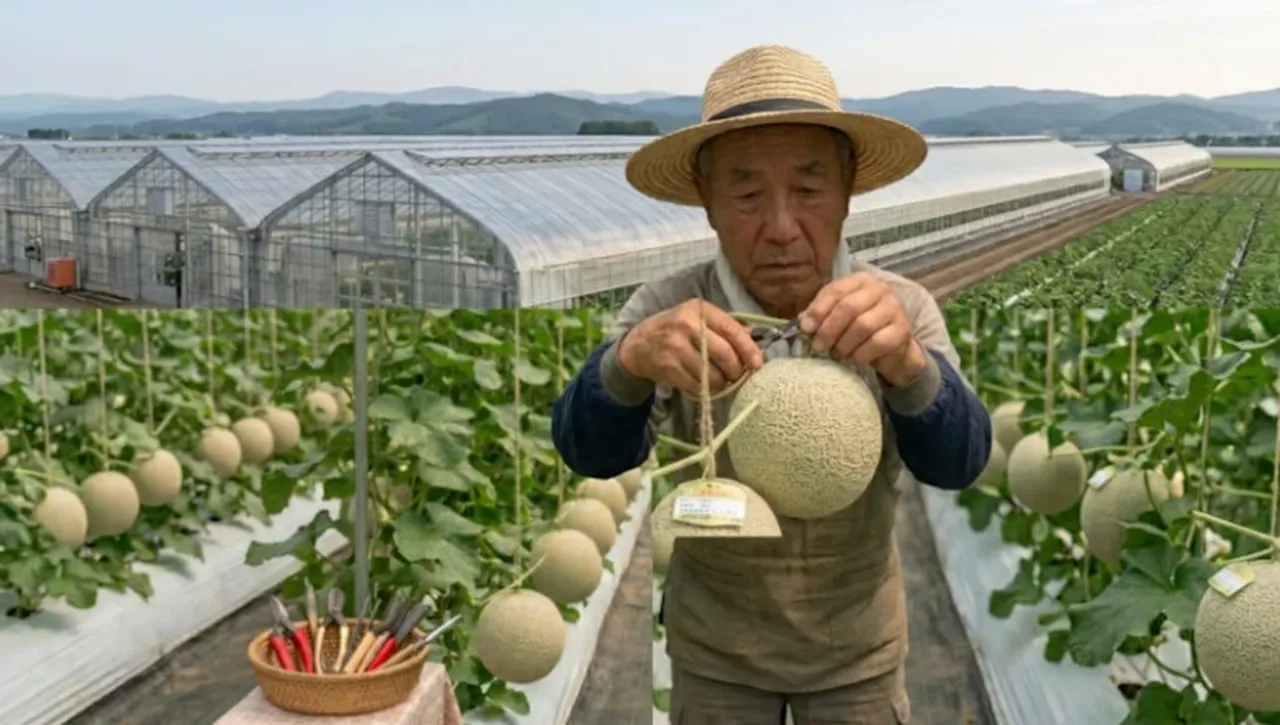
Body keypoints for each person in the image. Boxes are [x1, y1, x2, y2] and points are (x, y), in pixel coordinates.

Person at [551, 44, 992, 725]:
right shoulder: (669, 310)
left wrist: (909, 365)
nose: (782, 228)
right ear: (707, 202)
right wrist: (627, 363)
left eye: (810, 191)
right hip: (716, 656)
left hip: (858, 655)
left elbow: (960, 462)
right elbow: (590, 452)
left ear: (848, 192)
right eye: (748, 195)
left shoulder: (897, 309)